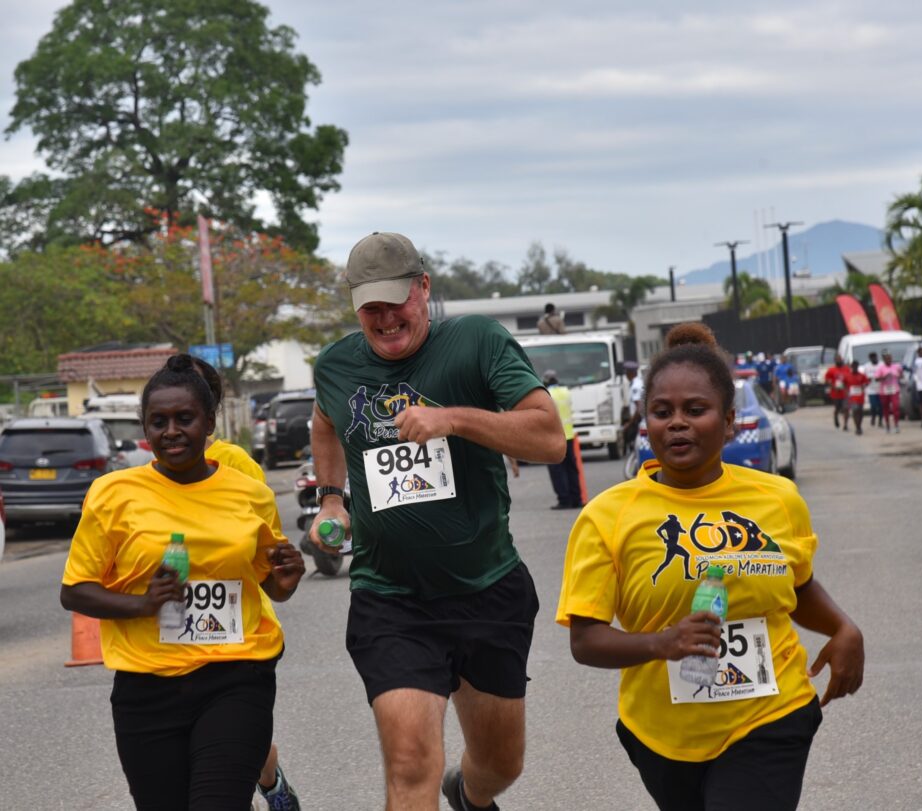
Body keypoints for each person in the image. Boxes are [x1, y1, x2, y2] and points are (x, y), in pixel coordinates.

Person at [556, 323, 864, 811]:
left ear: (727, 421)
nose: (677, 423)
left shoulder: (777, 498)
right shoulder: (607, 516)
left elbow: (797, 586)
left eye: (695, 410)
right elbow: (585, 640)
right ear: (646, 423)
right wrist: (663, 643)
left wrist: (843, 628)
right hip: (661, 733)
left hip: (772, 712)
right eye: (662, 412)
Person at [309, 231, 565, 811]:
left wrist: (452, 419)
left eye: (396, 301)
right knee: (409, 763)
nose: (385, 318)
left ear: (423, 288)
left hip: (487, 589)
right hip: (391, 598)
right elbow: (325, 421)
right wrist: (331, 499)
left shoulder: (476, 341)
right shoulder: (336, 365)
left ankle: (470, 796)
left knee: (501, 763)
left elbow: (549, 437)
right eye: (370, 306)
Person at [60, 354, 305, 811]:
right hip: (146, 687)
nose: (171, 431)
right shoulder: (113, 494)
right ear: (145, 428)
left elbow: (271, 585)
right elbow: (74, 590)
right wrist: (142, 604)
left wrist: (286, 579)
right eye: (158, 422)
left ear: (209, 421)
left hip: (236, 675)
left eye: (184, 418)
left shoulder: (250, 492)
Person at [187, 357, 301, 811]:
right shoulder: (146, 471)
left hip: (235, 616)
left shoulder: (234, 461)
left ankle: (271, 783)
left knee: (239, 733)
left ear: (209, 410)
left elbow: (260, 535)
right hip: (171, 622)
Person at [542, 370, 583, 510]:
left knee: (557, 470)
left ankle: (564, 500)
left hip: (554, 436)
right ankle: (576, 498)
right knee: (571, 468)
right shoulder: (566, 391)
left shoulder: (547, 394)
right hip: (569, 435)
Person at [875, 352, 903, 433]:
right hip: (884, 391)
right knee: (885, 408)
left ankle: (896, 424)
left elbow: (901, 375)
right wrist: (884, 377)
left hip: (894, 389)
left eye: (890, 358)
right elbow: (877, 379)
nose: (889, 360)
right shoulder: (881, 368)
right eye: (887, 359)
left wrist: (899, 375)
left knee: (896, 407)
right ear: (884, 360)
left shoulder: (896, 366)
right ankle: (887, 425)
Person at [842, 360, 870, 435]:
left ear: (857, 367)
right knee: (855, 411)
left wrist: (863, 387)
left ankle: (859, 425)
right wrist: (846, 392)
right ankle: (857, 427)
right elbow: (844, 384)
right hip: (852, 397)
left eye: (856, 366)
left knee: (860, 412)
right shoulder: (847, 375)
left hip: (860, 396)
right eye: (853, 366)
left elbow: (867, 382)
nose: (854, 368)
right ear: (851, 367)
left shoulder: (862, 375)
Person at [622, 360, 644, 451]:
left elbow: (639, 407)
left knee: (636, 448)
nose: (626, 375)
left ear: (631, 373)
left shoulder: (635, 386)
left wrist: (629, 424)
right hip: (639, 421)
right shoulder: (639, 383)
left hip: (638, 421)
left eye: (626, 372)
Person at [823, 354, 847, 429]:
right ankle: (836, 416)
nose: (839, 360)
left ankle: (845, 424)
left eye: (840, 359)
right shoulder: (831, 370)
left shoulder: (846, 369)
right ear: (835, 360)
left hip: (844, 392)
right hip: (835, 392)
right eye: (837, 359)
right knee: (838, 407)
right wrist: (833, 386)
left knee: (845, 408)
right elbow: (827, 380)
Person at [862, 352, 883, 427]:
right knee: (873, 405)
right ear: (870, 358)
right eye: (872, 358)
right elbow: (864, 377)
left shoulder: (881, 365)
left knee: (881, 406)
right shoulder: (867, 366)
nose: (873, 359)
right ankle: (873, 417)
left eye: (874, 357)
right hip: (871, 389)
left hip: (881, 388)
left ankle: (880, 421)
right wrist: (868, 380)